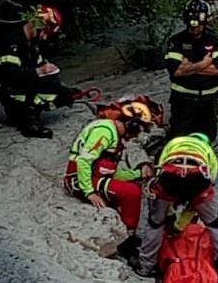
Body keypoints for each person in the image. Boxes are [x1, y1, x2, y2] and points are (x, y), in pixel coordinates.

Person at [62, 95, 165, 259]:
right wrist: (89, 192)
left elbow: (109, 171)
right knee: (132, 192)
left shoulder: (114, 135)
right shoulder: (105, 132)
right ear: (132, 125)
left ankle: (127, 234)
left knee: (131, 187)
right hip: (78, 180)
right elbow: (83, 161)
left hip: (93, 177)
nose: (138, 136)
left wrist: (138, 174)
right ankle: (127, 241)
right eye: (140, 130)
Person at [132, 132, 218, 283]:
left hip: (170, 178)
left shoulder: (174, 142)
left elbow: (161, 168)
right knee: (215, 225)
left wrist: (171, 219)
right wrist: (182, 223)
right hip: (197, 179)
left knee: (155, 224)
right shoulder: (207, 152)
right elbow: (208, 184)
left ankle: (146, 266)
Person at [0, 4, 86, 138]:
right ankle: (27, 122)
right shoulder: (11, 43)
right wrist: (38, 72)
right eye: (45, 33)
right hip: (7, 87)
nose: (45, 38)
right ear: (38, 26)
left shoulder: (31, 43)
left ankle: (31, 110)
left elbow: (39, 64)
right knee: (28, 93)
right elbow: (9, 76)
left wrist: (49, 72)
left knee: (61, 93)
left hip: (21, 80)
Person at [163, 0, 218, 143]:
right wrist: (203, 64)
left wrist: (188, 66)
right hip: (183, 101)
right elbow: (175, 70)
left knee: (207, 140)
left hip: (208, 103)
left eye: (198, 23)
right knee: (179, 140)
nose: (194, 27)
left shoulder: (213, 41)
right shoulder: (176, 41)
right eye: (191, 22)